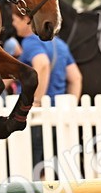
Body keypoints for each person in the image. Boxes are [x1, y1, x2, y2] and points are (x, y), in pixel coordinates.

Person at [9, 10, 82, 176]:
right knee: (59, 172)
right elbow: (76, 78)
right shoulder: (60, 44)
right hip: (58, 116)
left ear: (26, 19)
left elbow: (42, 64)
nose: (13, 24)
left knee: (29, 171)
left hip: (37, 118)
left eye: (15, 20)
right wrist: (70, 107)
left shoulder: (30, 42)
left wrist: (36, 101)